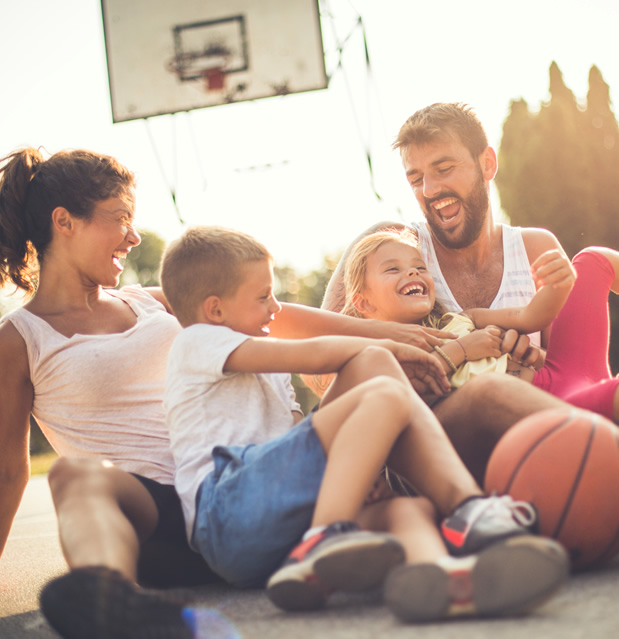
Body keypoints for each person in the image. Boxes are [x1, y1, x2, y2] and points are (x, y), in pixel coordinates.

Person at [159, 225, 569, 623]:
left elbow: (296, 435)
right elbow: (316, 354)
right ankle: (357, 529)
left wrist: (354, 472)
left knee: (408, 508)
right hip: (229, 507)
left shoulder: (265, 367)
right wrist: (389, 341)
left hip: (274, 528)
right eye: (264, 297)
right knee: (384, 388)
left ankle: (444, 577)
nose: (276, 309)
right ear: (215, 309)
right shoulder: (197, 340)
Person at [315, 101, 580, 479]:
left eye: (444, 169)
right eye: (415, 177)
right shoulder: (392, 248)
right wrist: (444, 355)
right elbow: (322, 376)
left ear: (487, 164)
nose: (430, 189)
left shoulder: (536, 249)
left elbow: (569, 373)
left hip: (538, 455)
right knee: (487, 394)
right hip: (429, 456)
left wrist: (532, 356)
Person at [341, 228, 619, 423]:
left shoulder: (463, 317)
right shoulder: (383, 355)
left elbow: (531, 316)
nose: (412, 272)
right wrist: (461, 350)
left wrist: (560, 284)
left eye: (419, 267)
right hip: (548, 408)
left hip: (561, 371)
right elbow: (403, 397)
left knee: (593, 260)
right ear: (363, 303)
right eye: (393, 269)